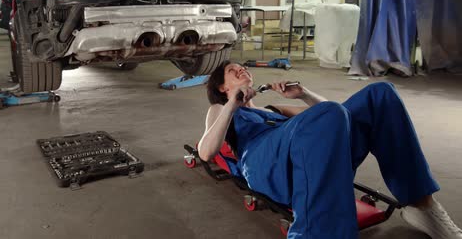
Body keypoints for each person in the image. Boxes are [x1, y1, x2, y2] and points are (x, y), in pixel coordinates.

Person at [198, 60, 462, 239]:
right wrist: (232, 105)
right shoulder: (221, 110)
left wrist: (303, 93)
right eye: (233, 71)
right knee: (329, 113)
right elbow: (206, 152)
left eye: (243, 67)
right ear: (222, 87)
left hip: (299, 157)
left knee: (380, 94)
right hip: (263, 164)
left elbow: (337, 116)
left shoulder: (272, 111)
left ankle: (421, 205)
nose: (241, 70)